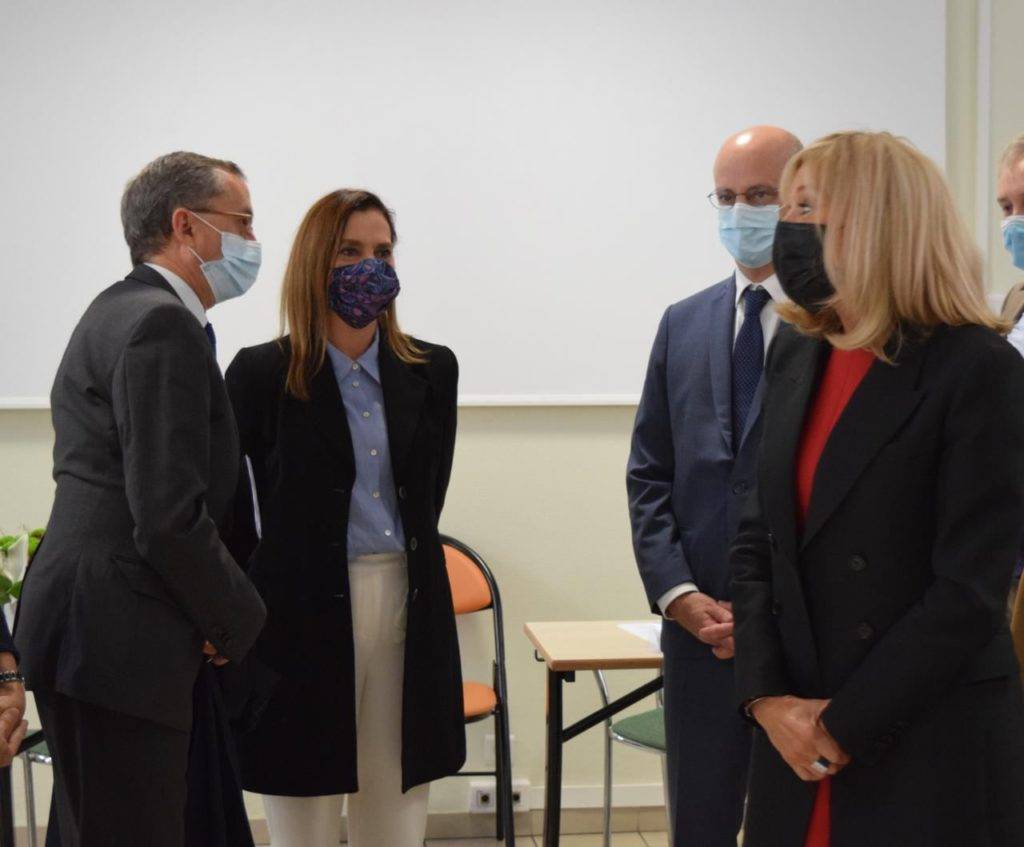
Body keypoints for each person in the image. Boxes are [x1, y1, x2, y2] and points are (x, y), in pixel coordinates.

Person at [731, 131, 1024, 847]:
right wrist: (767, 698)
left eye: (805, 207)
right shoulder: (795, 349)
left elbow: (968, 589)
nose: (786, 228)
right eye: (788, 208)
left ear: (877, 220)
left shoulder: (978, 368)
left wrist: (839, 724)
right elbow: (756, 541)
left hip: (921, 740)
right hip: (795, 740)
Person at [14, 152, 267, 847]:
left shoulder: (115, 309)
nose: (253, 241)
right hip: (118, 633)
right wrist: (237, 618)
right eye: (243, 222)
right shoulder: (162, 325)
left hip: (98, 627)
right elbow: (166, 516)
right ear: (186, 225)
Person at [222, 189, 462, 847]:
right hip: (298, 614)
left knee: (396, 809)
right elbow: (234, 512)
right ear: (314, 262)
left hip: (408, 604)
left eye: (382, 251)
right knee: (304, 814)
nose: (369, 267)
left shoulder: (432, 370)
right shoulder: (260, 374)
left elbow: (429, 496)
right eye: (349, 251)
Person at [627, 125, 801, 846]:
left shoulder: (838, 324)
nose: (740, 212)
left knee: (790, 825)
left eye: (760, 195)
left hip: (799, 637)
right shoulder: (683, 322)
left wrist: (765, 613)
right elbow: (649, 472)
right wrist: (678, 593)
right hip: (698, 634)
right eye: (726, 197)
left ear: (799, 198)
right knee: (699, 823)